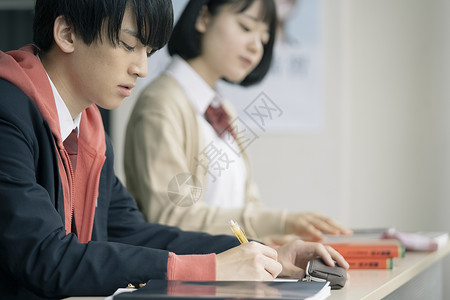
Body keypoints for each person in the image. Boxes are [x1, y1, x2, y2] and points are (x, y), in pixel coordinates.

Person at [0, 0, 349, 299]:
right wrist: (211, 267)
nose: (142, 68)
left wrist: (264, 254)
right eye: (127, 44)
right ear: (67, 34)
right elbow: (44, 256)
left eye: (148, 52)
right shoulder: (8, 113)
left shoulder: (89, 127)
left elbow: (133, 231)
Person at [124, 0, 352, 246]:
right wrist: (282, 221)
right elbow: (171, 215)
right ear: (203, 18)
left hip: (230, 271)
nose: (256, 47)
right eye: (246, 28)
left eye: (265, 38)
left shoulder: (223, 108)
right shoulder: (161, 102)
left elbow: (248, 204)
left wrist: (270, 240)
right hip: (184, 277)